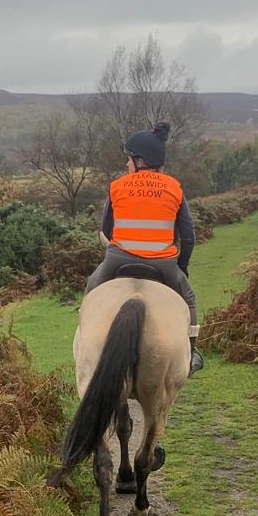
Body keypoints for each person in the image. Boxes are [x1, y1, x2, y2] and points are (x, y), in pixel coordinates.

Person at [84, 121, 203, 373]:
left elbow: (105, 230)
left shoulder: (117, 186)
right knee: (189, 299)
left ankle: (85, 342)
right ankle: (192, 354)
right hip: (162, 263)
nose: (127, 164)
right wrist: (180, 268)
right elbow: (189, 237)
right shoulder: (174, 188)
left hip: (118, 259)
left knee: (92, 288)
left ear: (140, 161)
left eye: (129, 159)